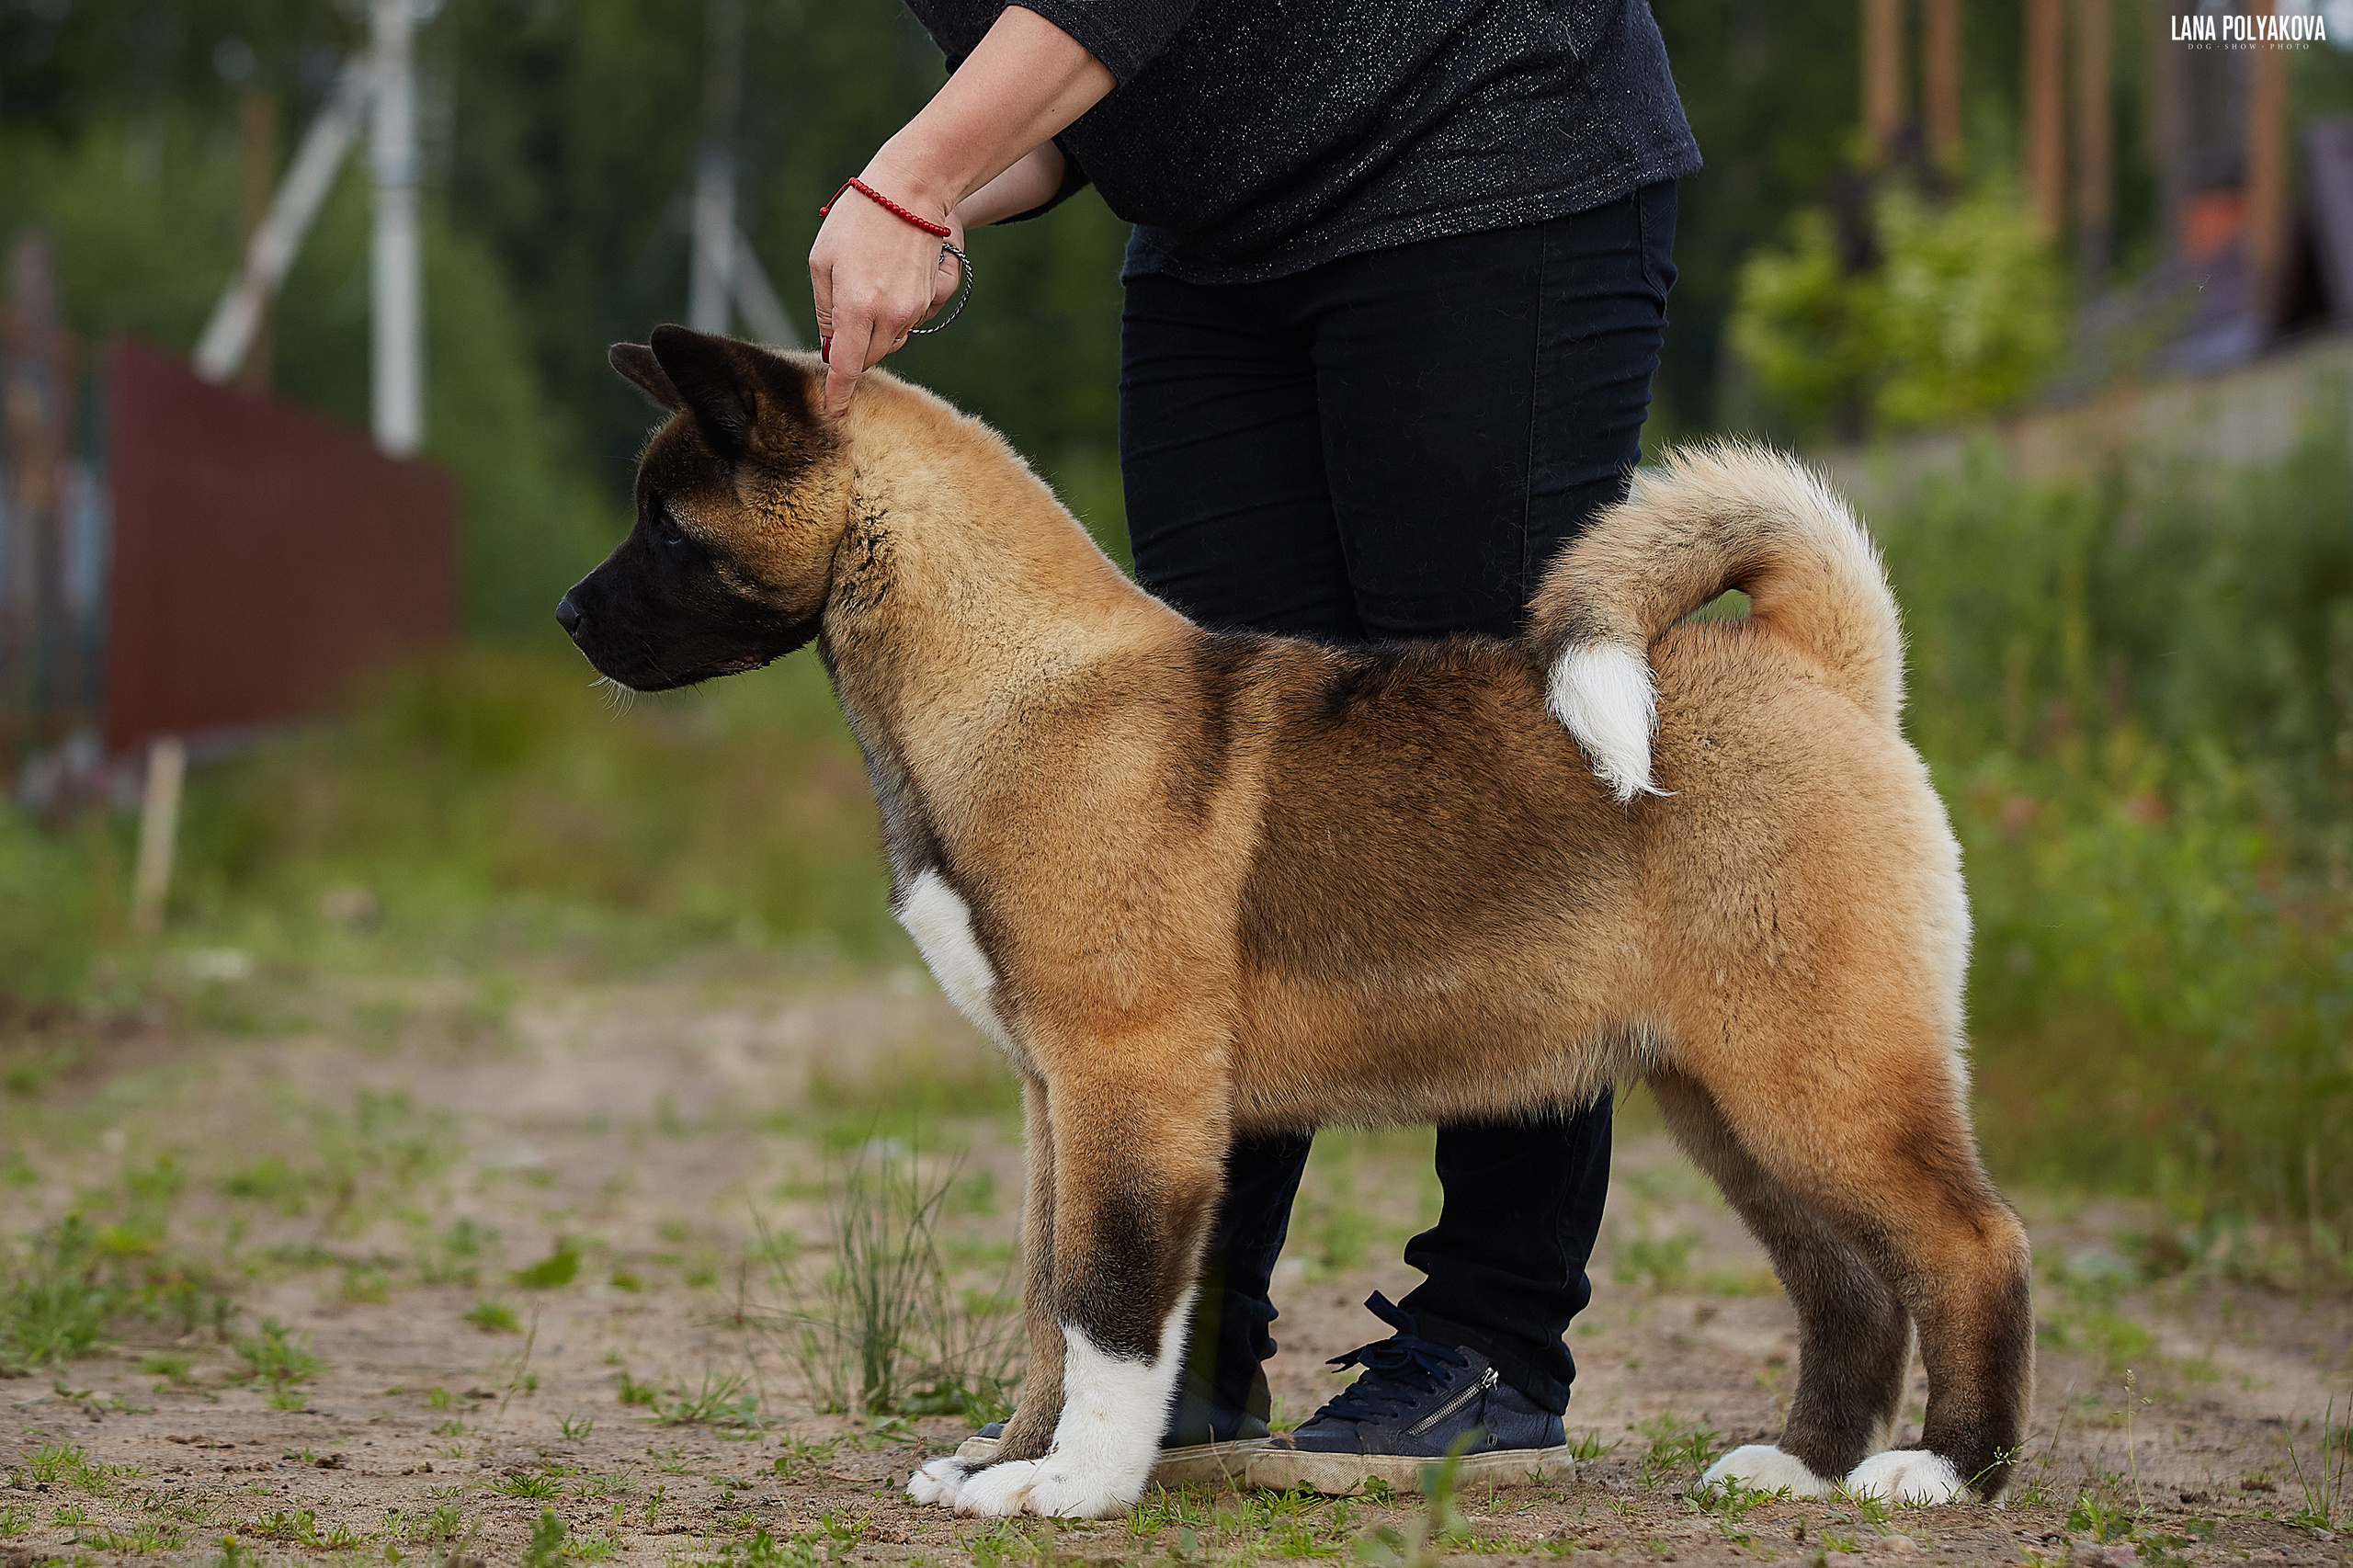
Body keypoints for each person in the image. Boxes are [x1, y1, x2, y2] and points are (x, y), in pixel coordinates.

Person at [808, 1, 1699, 1475]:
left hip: (1481, 154)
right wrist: (939, 183)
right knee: (1192, 794)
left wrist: (910, 176)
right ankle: (1173, 1339)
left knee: (1492, 757)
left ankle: (1492, 1330)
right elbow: (1088, 100)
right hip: (1220, 247)